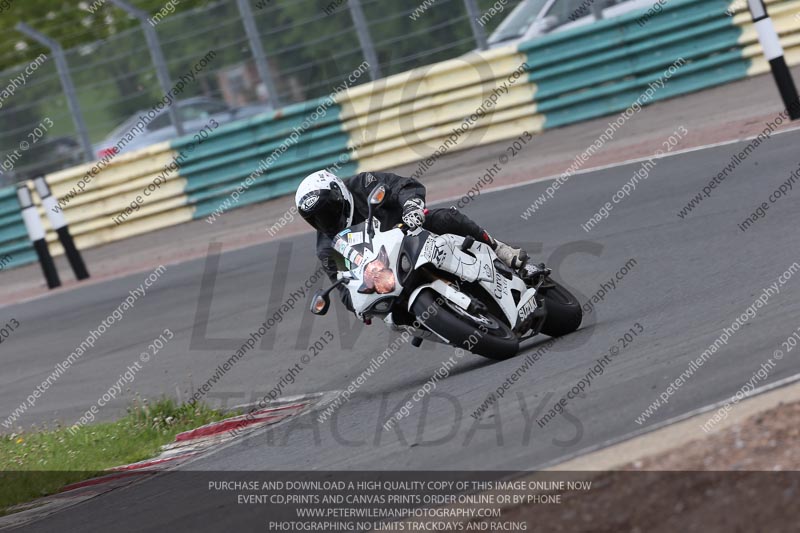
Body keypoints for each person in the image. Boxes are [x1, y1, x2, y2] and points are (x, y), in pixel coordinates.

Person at [294, 169, 529, 311]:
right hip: (389, 273)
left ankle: (500, 250)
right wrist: (359, 304)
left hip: (412, 231)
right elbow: (344, 288)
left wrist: (411, 206)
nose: (326, 220)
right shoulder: (329, 247)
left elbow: (403, 186)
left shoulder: (362, 185)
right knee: (390, 312)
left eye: (329, 210)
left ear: (340, 194)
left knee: (445, 217)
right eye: (317, 218)